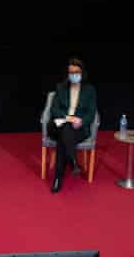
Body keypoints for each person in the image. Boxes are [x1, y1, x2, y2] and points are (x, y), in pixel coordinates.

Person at [48, 57, 97, 193]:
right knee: (65, 128)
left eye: (77, 72)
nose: (74, 75)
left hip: (78, 127)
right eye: (71, 72)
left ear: (82, 73)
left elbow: (91, 113)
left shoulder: (90, 90)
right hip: (58, 125)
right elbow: (54, 110)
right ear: (68, 74)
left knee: (63, 138)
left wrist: (81, 121)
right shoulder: (60, 87)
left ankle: (58, 178)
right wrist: (68, 118)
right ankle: (73, 161)